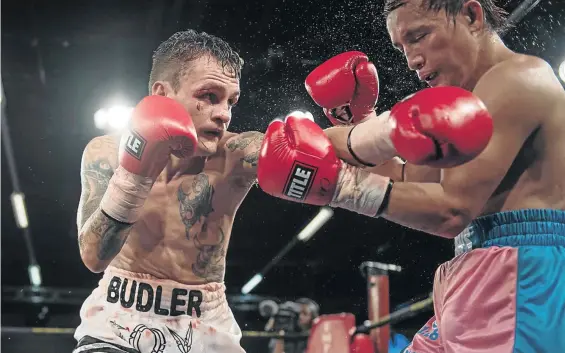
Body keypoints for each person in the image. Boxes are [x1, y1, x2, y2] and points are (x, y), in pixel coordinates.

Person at [256, 0, 565, 352]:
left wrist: (340, 186)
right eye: (402, 47)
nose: (411, 59)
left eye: (419, 36)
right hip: (479, 271)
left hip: (523, 280)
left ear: (471, 16)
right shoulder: (458, 103)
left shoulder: (516, 78)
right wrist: (356, 121)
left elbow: (452, 210)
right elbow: (411, 183)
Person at [74, 30, 265, 353]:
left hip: (205, 325)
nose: (224, 113)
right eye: (209, 96)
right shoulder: (105, 152)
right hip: (118, 320)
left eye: (231, 101)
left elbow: (324, 155)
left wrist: (361, 122)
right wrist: (133, 176)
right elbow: (93, 257)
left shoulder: (236, 153)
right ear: (161, 93)